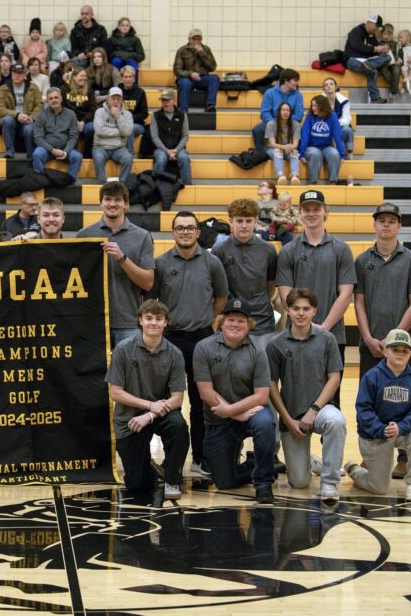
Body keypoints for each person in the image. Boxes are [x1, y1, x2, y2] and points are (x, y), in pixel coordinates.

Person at [152, 211, 229, 478]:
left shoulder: (212, 262)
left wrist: (203, 319)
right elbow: (153, 303)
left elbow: (220, 298)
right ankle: (170, 461)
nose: (185, 232)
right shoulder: (160, 264)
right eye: (180, 228)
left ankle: (200, 459)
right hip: (170, 339)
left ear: (198, 232)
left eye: (190, 228)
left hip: (202, 339)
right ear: (173, 232)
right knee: (167, 401)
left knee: (201, 403)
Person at [353, 204, 411, 480]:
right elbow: (358, 301)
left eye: (391, 221)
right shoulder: (362, 260)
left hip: (403, 344)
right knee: (371, 400)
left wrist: (394, 341)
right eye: (381, 221)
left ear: (399, 226)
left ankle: (403, 458)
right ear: (374, 225)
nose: (386, 225)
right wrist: (368, 336)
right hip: (370, 342)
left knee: (403, 399)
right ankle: (372, 454)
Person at [276, 190, 356, 407]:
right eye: (306, 209)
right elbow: (285, 295)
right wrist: (305, 325)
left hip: (332, 335)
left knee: (331, 401)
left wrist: (323, 327)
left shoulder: (341, 249)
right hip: (294, 336)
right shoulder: (288, 251)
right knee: (292, 396)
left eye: (316, 209)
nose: (312, 214)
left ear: (325, 212)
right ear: (300, 213)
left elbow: (346, 293)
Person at [193, 298, 277, 505]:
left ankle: (264, 483)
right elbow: (205, 392)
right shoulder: (203, 348)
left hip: (252, 412)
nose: (235, 325)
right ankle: (254, 463)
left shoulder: (258, 352)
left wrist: (231, 409)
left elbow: (262, 396)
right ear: (221, 321)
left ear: (249, 325)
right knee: (224, 482)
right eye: (231, 319)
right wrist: (232, 413)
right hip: (218, 418)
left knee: (266, 423)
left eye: (241, 321)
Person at [268, 288, 346, 504]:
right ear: (288, 310)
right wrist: (286, 419)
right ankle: (311, 463)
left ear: (314, 311)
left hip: (320, 410)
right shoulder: (276, 344)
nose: (300, 313)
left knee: (336, 421)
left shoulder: (327, 339)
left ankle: (329, 482)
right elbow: (272, 385)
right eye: (295, 309)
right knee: (299, 482)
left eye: (306, 309)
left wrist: (314, 410)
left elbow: (334, 378)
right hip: (291, 416)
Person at [107, 300, 190, 499]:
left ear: (165, 323)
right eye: (149, 318)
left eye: (158, 319)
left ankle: (172, 480)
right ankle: (148, 468)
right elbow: (115, 392)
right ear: (140, 321)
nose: (153, 322)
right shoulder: (123, 349)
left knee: (178, 426)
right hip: (131, 418)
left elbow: (178, 399)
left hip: (161, 413)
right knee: (138, 485)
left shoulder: (175, 354)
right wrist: (149, 405)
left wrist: (151, 414)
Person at [345, 328, 411, 502]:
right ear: (385, 351)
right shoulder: (372, 377)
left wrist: (400, 427)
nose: (400, 354)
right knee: (380, 488)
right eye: (395, 350)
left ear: (410, 353)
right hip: (375, 434)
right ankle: (356, 471)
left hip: (401, 432)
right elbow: (363, 410)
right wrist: (382, 429)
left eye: (404, 351)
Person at [78, 182, 154, 346]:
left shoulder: (142, 236)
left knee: (129, 372)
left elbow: (147, 283)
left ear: (126, 204)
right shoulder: (84, 235)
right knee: (96, 372)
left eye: (118, 199)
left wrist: (122, 259)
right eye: (107, 199)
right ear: (101, 203)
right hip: (93, 322)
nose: (112, 204)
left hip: (128, 323)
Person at [212, 198, 279, 352]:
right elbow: (216, 289)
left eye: (249, 221)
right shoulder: (219, 251)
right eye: (239, 220)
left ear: (255, 221)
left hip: (262, 322)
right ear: (231, 221)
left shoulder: (268, 250)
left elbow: (270, 285)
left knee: (263, 372)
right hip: (230, 321)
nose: (244, 225)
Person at [32, 88, 82, 182]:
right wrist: (52, 150)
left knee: (77, 157)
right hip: (47, 149)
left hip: (65, 149)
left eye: (56, 97)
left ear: (61, 99)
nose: (54, 100)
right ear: (47, 101)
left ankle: (70, 181)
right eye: (50, 98)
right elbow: (38, 138)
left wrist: (66, 151)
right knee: (37, 154)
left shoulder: (71, 114)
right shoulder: (41, 115)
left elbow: (74, 137)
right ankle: (40, 181)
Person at [0, 62, 42, 160]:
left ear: (25, 74)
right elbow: (0, 109)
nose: (17, 75)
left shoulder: (34, 88)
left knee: (30, 129)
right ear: (11, 73)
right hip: (12, 120)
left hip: (28, 120)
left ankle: (31, 156)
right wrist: (17, 115)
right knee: (7, 120)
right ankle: (10, 151)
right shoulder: (3, 89)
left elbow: (39, 105)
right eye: (15, 73)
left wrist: (32, 117)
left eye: (20, 73)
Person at [344, 14, 392, 104]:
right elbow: (357, 47)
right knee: (373, 71)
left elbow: (373, 51)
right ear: (369, 23)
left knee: (387, 57)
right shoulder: (356, 31)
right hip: (352, 59)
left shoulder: (372, 36)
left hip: (366, 61)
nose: (377, 29)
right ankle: (375, 98)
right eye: (376, 26)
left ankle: (369, 66)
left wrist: (381, 50)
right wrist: (374, 49)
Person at [298, 95, 346, 185]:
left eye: (315, 106)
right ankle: (314, 182)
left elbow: (337, 135)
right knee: (315, 154)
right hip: (311, 146)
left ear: (322, 106)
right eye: (312, 106)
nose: (313, 108)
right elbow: (305, 135)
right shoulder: (309, 116)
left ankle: (333, 182)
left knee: (334, 154)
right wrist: (302, 153)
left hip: (327, 146)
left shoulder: (332, 116)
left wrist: (342, 155)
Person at [252, 68, 303, 152]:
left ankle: (294, 153)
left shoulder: (298, 95)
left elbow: (299, 115)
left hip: (289, 124)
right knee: (257, 130)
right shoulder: (270, 93)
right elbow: (265, 113)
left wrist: (285, 122)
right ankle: (263, 154)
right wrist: (276, 123)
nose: (297, 83)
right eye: (295, 80)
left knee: (300, 129)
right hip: (273, 123)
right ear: (286, 81)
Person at [92, 87, 134, 183]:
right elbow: (100, 131)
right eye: (113, 98)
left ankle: (122, 183)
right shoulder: (99, 112)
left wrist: (118, 116)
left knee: (128, 158)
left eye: (118, 99)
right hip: (100, 146)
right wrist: (120, 132)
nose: (115, 101)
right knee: (98, 158)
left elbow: (127, 132)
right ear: (107, 99)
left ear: (121, 100)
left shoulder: (127, 114)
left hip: (119, 148)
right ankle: (102, 183)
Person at [149, 89, 191, 185]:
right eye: (163, 100)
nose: (165, 103)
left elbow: (185, 136)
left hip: (178, 149)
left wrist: (176, 150)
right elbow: (154, 137)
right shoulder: (155, 116)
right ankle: (156, 187)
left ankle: (187, 186)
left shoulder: (182, 115)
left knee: (184, 158)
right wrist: (166, 150)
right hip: (161, 149)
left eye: (167, 100)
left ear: (174, 100)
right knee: (160, 159)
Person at [173, 28, 219, 112]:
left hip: (202, 78)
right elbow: (177, 70)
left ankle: (210, 105)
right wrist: (190, 74)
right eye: (194, 39)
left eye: (199, 39)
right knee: (183, 82)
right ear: (189, 39)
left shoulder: (206, 49)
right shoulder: (182, 50)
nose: (196, 42)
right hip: (187, 78)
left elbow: (212, 67)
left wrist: (202, 53)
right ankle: (183, 110)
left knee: (214, 78)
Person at [266, 101, 301, 185]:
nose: (286, 112)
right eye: (283, 110)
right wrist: (283, 147)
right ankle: (280, 176)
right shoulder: (271, 124)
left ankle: (294, 176)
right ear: (279, 112)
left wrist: (291, 147)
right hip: (273, 150)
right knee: (278, 150)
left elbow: (295, 144)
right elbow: (272, 144)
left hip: (288, 150)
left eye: (288, 110)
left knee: (295, 151)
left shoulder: (295, 124)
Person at [64, 68, 97, 154]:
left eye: (85, 76)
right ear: (74, 77)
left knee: (91, 128)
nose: (84, 78)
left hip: (85, 121)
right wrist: (74, 121)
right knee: (72, 129)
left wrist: (83, 122)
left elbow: (93, 109)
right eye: (81, 76)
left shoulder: (89, 91)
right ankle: (71, 154)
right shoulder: (65, 89)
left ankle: (87, 155)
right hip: (70, 120)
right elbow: (62, 108)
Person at [119, 66, 147, 155]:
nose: (128, 79)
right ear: (122, 78)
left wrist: (128, 119)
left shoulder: (140, 92)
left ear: (134, 79)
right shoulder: (117, 91)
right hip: (118, 122)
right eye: (125, 77)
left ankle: (129, 155)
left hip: (137, 124)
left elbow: (144, 113)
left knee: (129, 128)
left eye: (130, 77)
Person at [321, 77, 353, 155]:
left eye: (331, 84)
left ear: (336, 87)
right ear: (324, 89)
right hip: (326, 126)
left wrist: (335, 122)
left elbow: (347, 120)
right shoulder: (320, 101)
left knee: (347, 129)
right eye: (326, 85)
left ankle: (347, 152)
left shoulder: (344, 101)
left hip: (340, 125)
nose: (329, 86)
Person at [376, 23, 402, 98]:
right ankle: (396, 88)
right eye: (385, 34)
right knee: (383, 69)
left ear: (392, 35)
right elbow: (377, 56)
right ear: (381, 34)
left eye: (389, 35)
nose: (387, 36)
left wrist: (399, 60)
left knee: (397, 69)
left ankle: (394, 91)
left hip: (394, 63)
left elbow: (400, 54)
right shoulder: (379, 44)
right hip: (384, 64)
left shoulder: (396, 44)